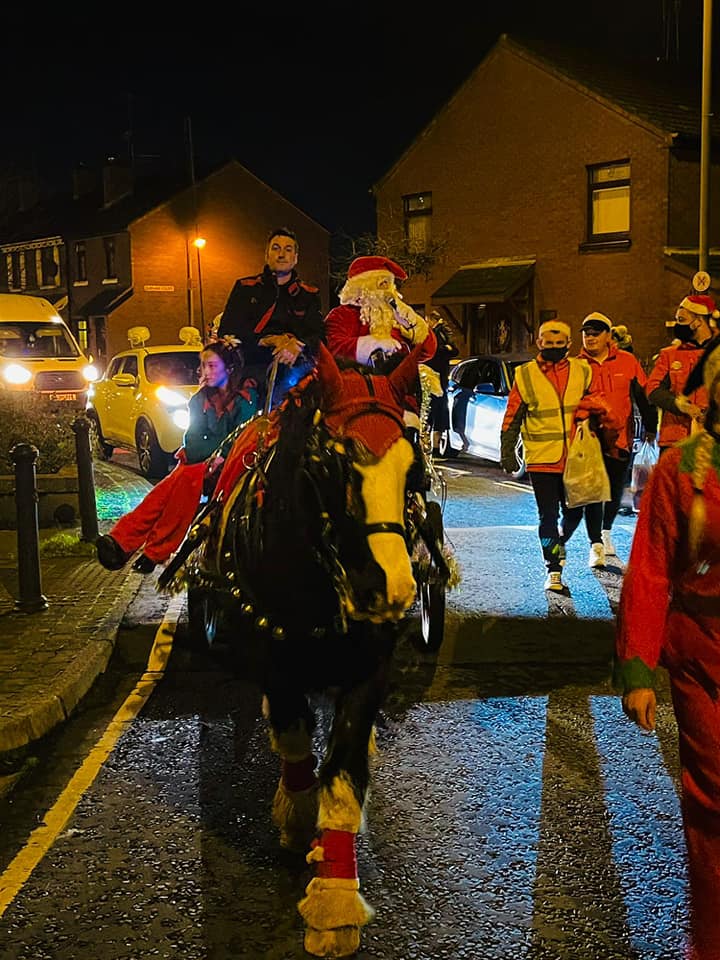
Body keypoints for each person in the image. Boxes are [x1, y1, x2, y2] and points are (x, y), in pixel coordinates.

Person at [615, 340, 720, 960]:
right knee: (713, 801)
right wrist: (638, 668)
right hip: (701, 657)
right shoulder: (681, 470)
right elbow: (651, 570)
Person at [95, 338, 259, 574]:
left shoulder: (245, 400)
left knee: (183, 481)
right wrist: (214, 451)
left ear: (229, 368)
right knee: (164, 490)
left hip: (231, 466)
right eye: (203, 366)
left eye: (212, 365)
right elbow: (192, 442)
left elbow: (241, 438)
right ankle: (124, 543)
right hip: (202, 462)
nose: (205, 371)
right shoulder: (199, 400)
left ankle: (148, 548)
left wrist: (219, 452)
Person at [500, 319, 620, 592]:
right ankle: (553, 569)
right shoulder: (525, 374)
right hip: (542, 459)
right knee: (547, 518)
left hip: (577, 457)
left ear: (568, 344)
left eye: (558, 343)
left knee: (574, 513)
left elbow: (597, 403)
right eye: (548, 343)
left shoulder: (583, 370)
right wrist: (507, 450)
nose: (553, 347)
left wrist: (605, 430)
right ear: (539, 343)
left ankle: (557, 545)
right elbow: (512, 415)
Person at [324, 255, 438, 428]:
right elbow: (334, 348)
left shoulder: (396, 316)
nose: (388, 291)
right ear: (363, 287)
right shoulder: (342, 315)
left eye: (389, 285)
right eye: (382, 284)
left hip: (398, 399)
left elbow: (427, 352)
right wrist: (373, 344)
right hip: (358, 397)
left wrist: (416, 326)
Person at [577, 312, 657, 559]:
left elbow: (642, 395)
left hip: (619, 437)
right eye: (586, 333)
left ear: (608, 336)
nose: (590, 338)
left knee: (612, 489)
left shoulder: (627, 361)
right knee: (593, 490)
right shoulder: (577, 365)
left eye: (595, 333)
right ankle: (595, 544)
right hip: (588, 438)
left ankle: (606, 531)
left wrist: (650, 427)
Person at [217, 227, 324, 408]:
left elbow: (319, 336)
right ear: (267, 255)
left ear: (295, 258)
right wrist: (268, 341)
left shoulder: (309, 294)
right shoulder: (246, 287)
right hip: (250, 369)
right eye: (276, 248)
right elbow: (228, 331)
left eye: (288, 249)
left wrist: (296, 346)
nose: (281, 254)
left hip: (295, 371)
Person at [646, 294, 719, 456]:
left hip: (712, 438)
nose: (677, 325)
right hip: (674, 440)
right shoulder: (669, 354)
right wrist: (680, 405)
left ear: (698, 321)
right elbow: (652, 389)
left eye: (682, 320)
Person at [425, 310, 460, 455]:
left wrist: (442, 350)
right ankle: (434, 447)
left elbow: (451, 350)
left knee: (432, 412)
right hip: (438, 380)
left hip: (434, 379)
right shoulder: (439, 334)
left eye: (427, 321)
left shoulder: (437, 334)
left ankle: (433, 448)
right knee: (436, 413)